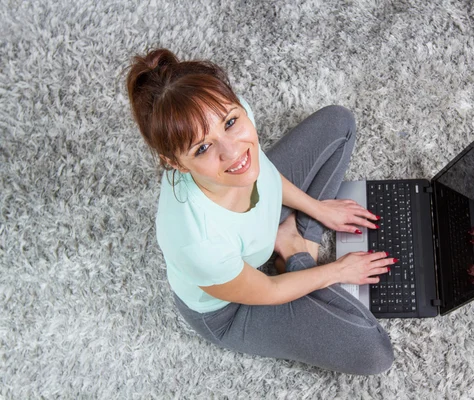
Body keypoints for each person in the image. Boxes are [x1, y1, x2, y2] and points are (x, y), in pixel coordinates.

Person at [126, 48, 395, 375]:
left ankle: (288, 238)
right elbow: (268, 290)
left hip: (261, 230)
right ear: (175, 163)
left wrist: (318, 209)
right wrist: (338, 271)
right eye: (202, 148)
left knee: (340, 124)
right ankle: (295, 253)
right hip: (233, 310)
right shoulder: (197, 243)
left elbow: (262, 171)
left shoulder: (235, 123)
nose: (232, 150)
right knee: (375, 352)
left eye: (230, 122)